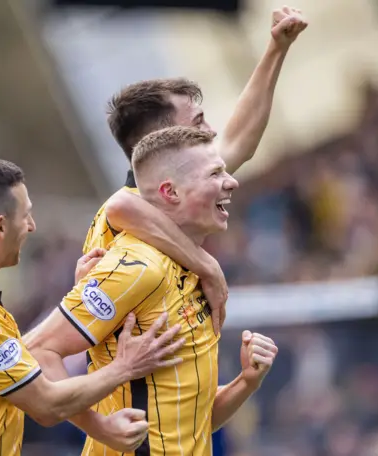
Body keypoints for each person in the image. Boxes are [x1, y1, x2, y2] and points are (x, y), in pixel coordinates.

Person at [0, 158, 186, 456]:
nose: (32, 227)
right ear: (0, 226)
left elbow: (8, 366)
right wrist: (125, 366)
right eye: (26, 216)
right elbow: (47, 405)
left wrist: (76, 296)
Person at [27, 127, 278, 455]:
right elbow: (36, 350)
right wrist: (101, 427)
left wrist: (246, 382)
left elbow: (191, 423)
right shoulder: (139, 267)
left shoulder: (194, 271)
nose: (231, 182)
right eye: (216, 173)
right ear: (170, 192)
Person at [84, 6, 308, 335]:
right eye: (198, 123)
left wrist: (277, 49)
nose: (212, 132)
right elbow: (119, 210)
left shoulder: (183, 184)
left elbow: (239, 136)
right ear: (161, 141)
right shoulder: (120, 220)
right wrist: (208, 266)